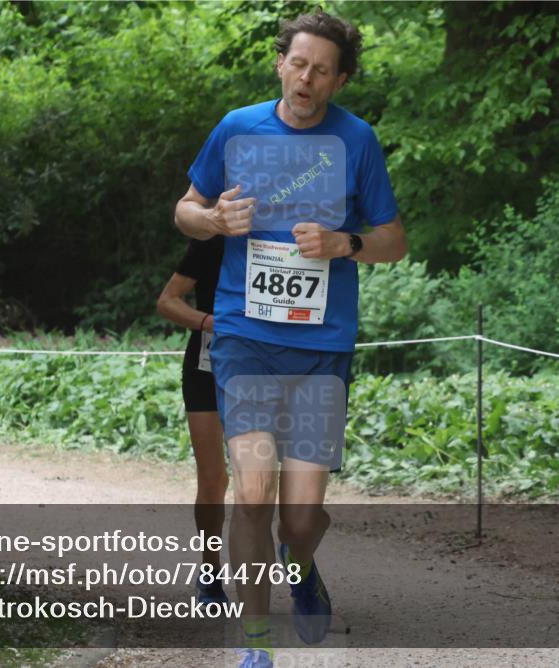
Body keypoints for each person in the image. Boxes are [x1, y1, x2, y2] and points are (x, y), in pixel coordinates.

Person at [174, 10, 407, 668]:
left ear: (340, 80)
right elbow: (184, 210)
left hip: (320, 349)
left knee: (300, 520)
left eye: (322, 70)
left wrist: (345, 243)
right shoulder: (237, 127)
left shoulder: (357, 140)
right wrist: (213, 219)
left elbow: (394, 240)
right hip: (245, 339)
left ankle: (299, 561)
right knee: (252, 494)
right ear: (281, 63)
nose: (306, 79)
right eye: (298, 63)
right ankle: (256, 646)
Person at [155, 235, 229, 606]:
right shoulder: (214, 239)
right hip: (208, 365)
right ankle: (210, 573)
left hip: (267, 366)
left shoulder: (289, 236)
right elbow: (167, 301)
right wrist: (211, 322)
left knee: (260, 477)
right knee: (214, 479)